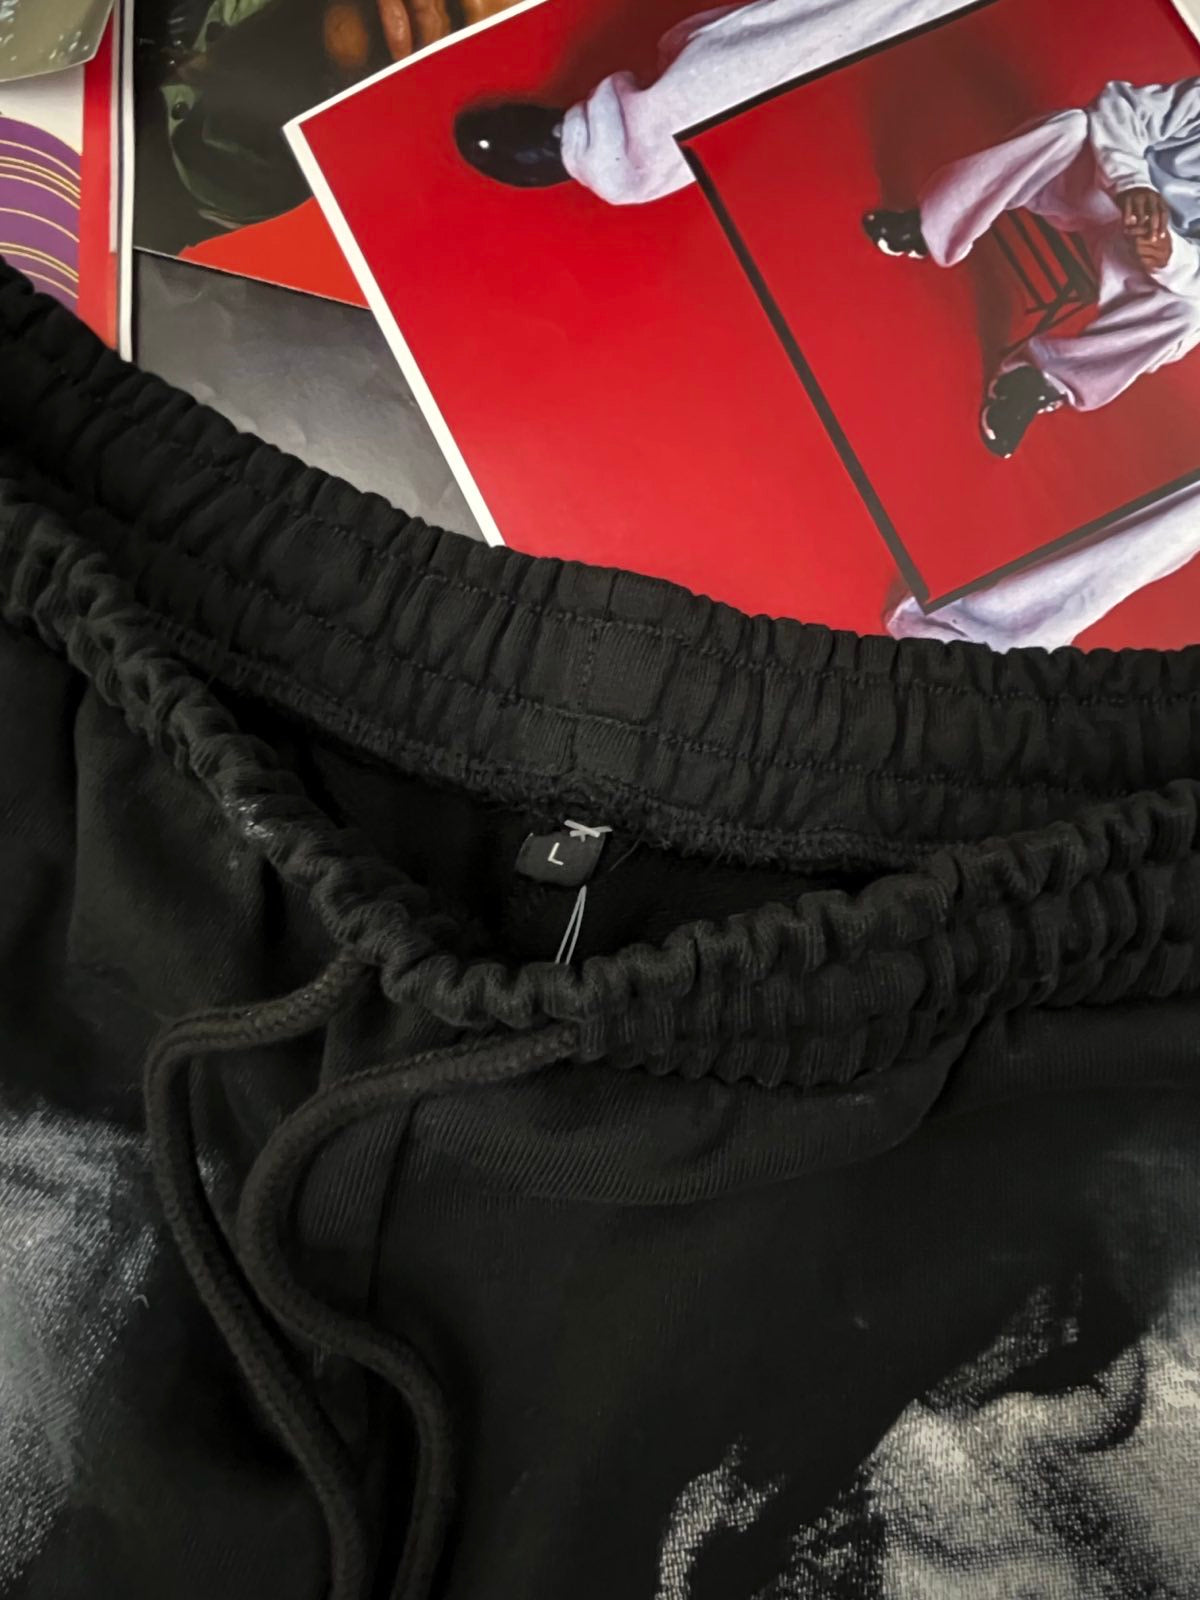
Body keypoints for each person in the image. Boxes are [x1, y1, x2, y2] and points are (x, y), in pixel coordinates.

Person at [866, 79, 1200, 456]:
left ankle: (1038, 380)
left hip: (1150, 258)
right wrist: (1132, 183)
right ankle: (929, 226)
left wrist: (1170, 257)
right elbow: (1122, 106)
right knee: (1072, 128)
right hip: (1102, 188)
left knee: (1190, 316)